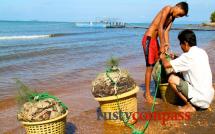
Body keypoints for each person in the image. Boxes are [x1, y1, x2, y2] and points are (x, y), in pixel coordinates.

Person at [142, 2, 189, 103]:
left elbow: (166, 31)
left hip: (156, 41)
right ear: (177, 7)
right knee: (149, 67)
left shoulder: (173, 18)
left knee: (157, 63)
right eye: (180, 14)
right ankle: (147, 95)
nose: (179, 16)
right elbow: (160, 27)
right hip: (149, 39)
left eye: (181, 16)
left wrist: (167, 47)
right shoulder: (167, 8)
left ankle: (157, 91)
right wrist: (162, 44)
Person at [160, 30, 214, 112]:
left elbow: (166, 65)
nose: (180, 46)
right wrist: (175, 57)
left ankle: (189, 105)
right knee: (181, 73)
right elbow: (188, 62)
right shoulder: (202, 52)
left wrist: (163, 57)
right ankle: (195, 102)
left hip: (200, 100)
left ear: (185, 43)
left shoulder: (187, 56)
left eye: (180, 44)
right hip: (208, 97)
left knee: (172, 78)